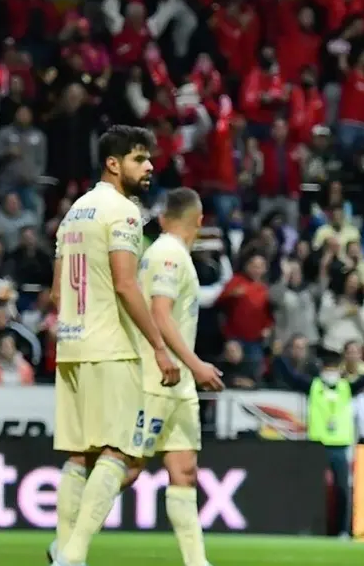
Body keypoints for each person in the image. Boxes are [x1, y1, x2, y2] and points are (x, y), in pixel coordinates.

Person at [50, 126, 181, 566]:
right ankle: (75, 553)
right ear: (113, 163)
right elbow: (126, 285)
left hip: (70, 346)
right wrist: (159, 347)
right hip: (111, 347)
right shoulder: (123, 212)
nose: (149, 168)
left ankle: (61, 546)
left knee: (78, 453)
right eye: (140, 159)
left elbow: (54, 295)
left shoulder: (74, 212)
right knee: (117, 451)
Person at [135, 188, 224, 565]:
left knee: (184, 471)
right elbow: (160, 313)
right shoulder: (169, 253)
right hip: (160, 375)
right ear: (199, 219)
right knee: (126, 467)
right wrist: (196, 364)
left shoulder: (171, 253)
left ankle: (196, 562)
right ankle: (69, 548)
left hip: (179, 381)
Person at [273, 354, 364, 538]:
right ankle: (306, 528)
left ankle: (343, 530)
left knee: (342, 490)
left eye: (333, 370)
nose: (330, 373)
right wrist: (279, 356)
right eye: (327, 370)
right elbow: (289, 377)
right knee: (311, 490)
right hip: (317, 445)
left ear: (339, 371)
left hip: (339, 445)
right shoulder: (313, 386)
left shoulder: (347, 388)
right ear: (322, 371)